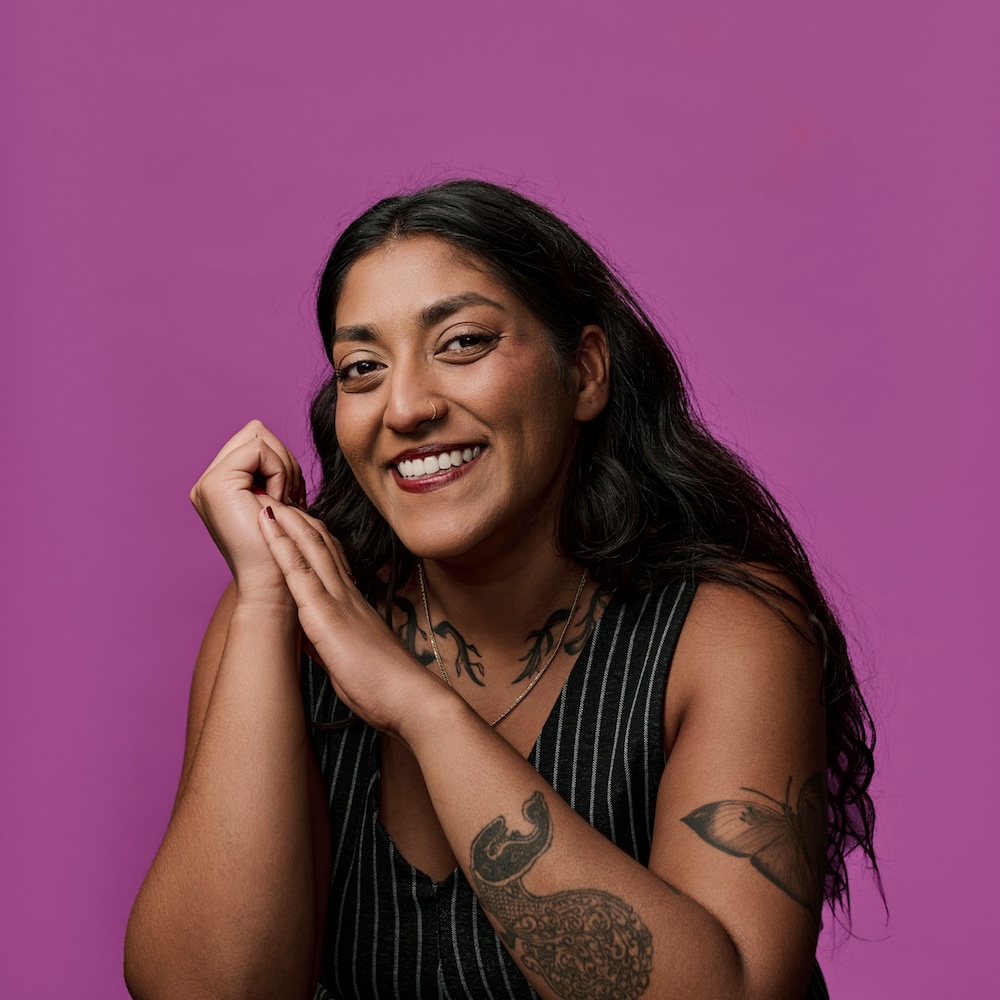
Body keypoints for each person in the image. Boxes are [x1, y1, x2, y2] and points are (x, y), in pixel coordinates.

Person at [124, 179, 878, 1000]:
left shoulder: (724, 629)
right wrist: (267, 601)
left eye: (462, 343)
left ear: (585, 372)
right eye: (363, 367)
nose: (405, 407)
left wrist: (418, 705)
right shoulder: (282, 620)